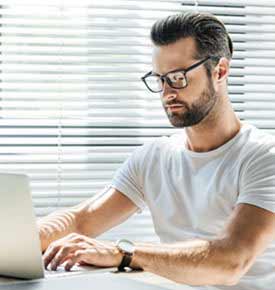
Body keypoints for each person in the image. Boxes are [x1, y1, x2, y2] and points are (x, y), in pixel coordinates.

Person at [38, 11, 275, 289]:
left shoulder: (262, 158)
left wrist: (122, 254)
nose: (167, 93)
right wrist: (17, 238)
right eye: (159, 78)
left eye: (177, 77)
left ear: (220, 71)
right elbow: (81, 220)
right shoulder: (155, 157)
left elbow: (230, 261)